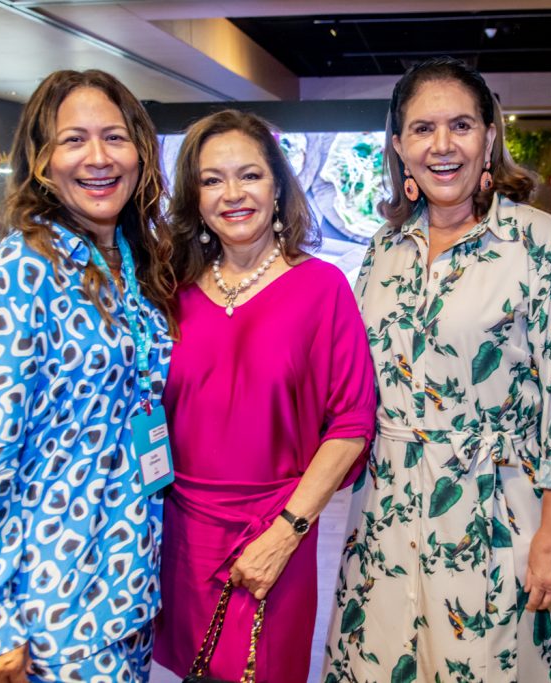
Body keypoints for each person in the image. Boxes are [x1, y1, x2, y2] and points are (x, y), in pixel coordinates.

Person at [323, 57, 551, 683]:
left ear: (489, 137)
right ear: (398, 146)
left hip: (495, 515)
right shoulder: (382, 249)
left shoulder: (540, 244)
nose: (441, 146)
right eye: (422, 129)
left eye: (460, 126)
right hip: (385, 516)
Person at [0, 69, 177, 683]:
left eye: (115, 138)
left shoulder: (127, 264)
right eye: (74, 140)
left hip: (126, 588)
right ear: (41, 160)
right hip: (51, 608)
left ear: (141, 153)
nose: (98, 158)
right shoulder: (17, 277)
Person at [152, 110, 376, 683]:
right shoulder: (170, 295)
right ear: (194, 198)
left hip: (276, 531)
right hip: (182, 535)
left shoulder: (322, 288)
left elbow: (351, 424)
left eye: (249, 175)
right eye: (211, 179)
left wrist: (285, 535)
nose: (233, 194)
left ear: (279, 186)